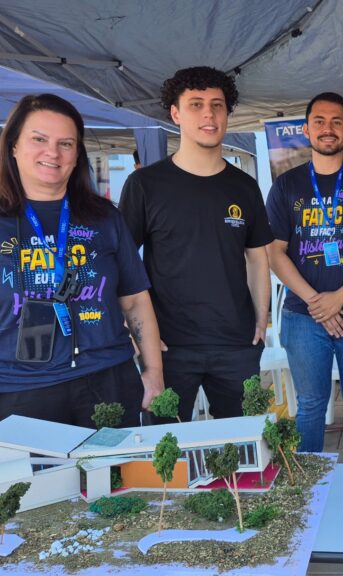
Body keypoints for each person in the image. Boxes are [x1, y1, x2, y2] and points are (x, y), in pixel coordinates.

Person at [0, 94, 163, 430]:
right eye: (39, 139)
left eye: (66, 143)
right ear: (13, 146)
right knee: (32, 470)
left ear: (77, 154)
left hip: (108, 381)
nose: (53, 152)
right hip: (18, 390)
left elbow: (136, 299)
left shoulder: (104, 217)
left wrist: (153, 373)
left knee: (116, 467)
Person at [120, 66, 272, 422]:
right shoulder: (145, 185)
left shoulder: (244, 186)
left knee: (243, 445)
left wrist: (261, 320)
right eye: (196, 105)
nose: (209, 114)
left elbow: (257, 259)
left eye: (217, 105)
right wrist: (134, 333)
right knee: (166, 449)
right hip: (167, 347)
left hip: (236, 345)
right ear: (176, 114)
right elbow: (122, 264)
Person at [266, 92, 343, 464]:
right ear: (306, 130)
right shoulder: (286, 185)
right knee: (310, 406)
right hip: (303, 316)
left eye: (337, 121)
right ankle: (310, 486)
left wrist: (338, 298)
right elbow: (275, 252)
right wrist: (316, 302)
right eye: (319, 121)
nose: (328, 129)